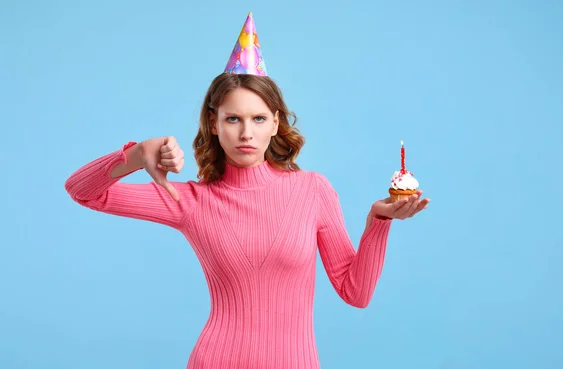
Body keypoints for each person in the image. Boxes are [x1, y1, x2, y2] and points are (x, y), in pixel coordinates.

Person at [64, 12, 429, 369]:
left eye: (258, 118)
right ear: (214, 123)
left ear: (275, 124)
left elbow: (356, 293)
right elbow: (82, 191)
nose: (245, 133)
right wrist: (135, 154)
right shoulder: (189, 201)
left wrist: (378, 221)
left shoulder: (312, 190)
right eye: (233, 119)